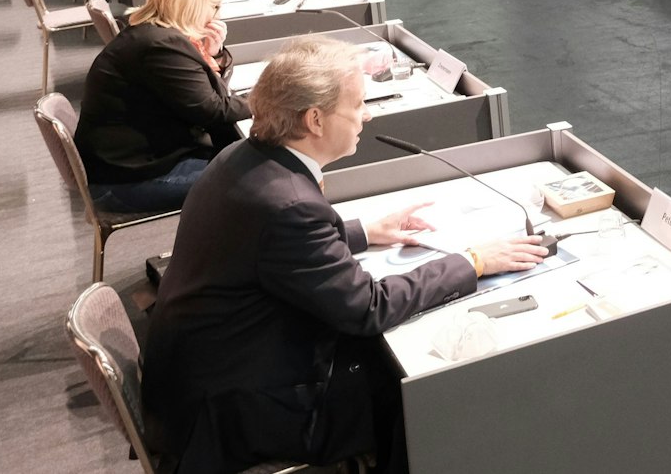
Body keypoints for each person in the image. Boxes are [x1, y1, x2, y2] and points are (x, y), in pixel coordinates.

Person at [143, 37, 548, 474]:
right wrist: (473, 261)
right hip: (236, 409)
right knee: (419, 389)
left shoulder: (243, 158)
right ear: (315, 119)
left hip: (204, 377)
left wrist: (365, 232)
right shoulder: (288, 204)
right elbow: (368, 308)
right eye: (357, 105)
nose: (367, 115)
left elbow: (271, 253)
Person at [74, 0, 245, 213]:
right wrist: (269, 101)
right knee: (256, 176)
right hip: (129, 180)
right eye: (215, 6)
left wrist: (213, 55)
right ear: (192, 4)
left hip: (132, 163)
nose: (217, 15)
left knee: (245, 156)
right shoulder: (160, 47)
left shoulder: (152, 33)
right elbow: (211, 110)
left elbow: (206, 98)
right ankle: (217, 251)